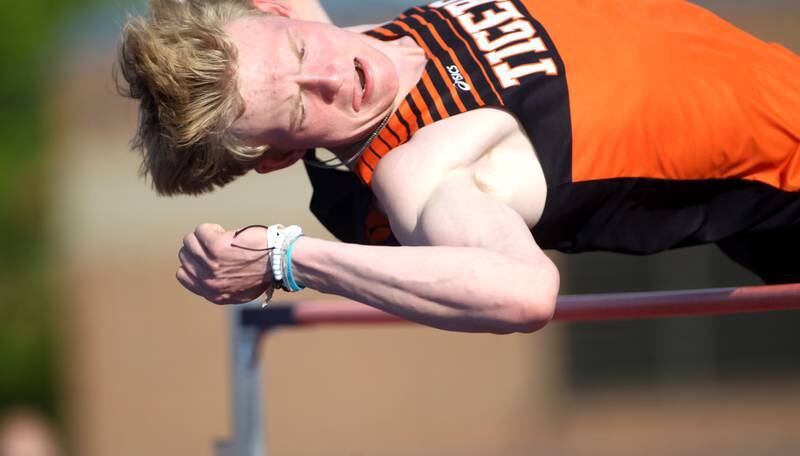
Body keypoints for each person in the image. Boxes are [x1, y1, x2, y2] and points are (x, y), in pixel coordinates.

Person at [117, 0, 800, 333]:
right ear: (283, 155)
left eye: (298, 51)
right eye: (300, 110)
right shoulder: (419, 171)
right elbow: (522, 293)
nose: (333, 75)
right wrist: (289, 260)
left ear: (276, 16)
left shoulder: (344, 39)